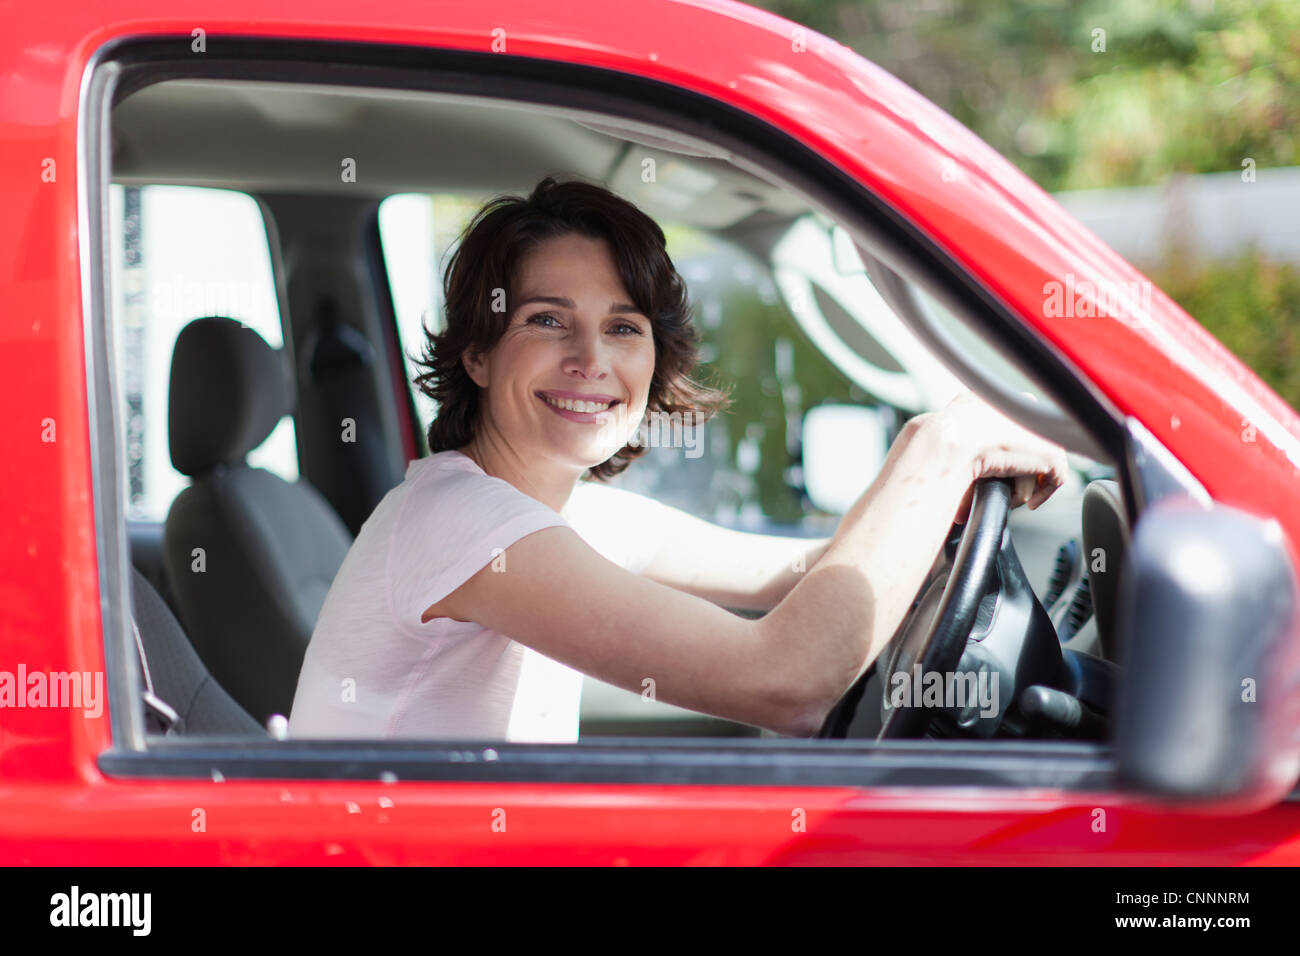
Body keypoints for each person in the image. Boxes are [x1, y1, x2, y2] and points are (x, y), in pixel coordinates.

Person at [287, 175, 1069, 743]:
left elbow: (802, 572)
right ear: (479, 358)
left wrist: (932, 514)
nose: (592, 359)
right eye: (548, 321)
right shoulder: (465, 523)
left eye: (624, 327)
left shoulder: (556, 510)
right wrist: (935, 448)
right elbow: (785, 683)